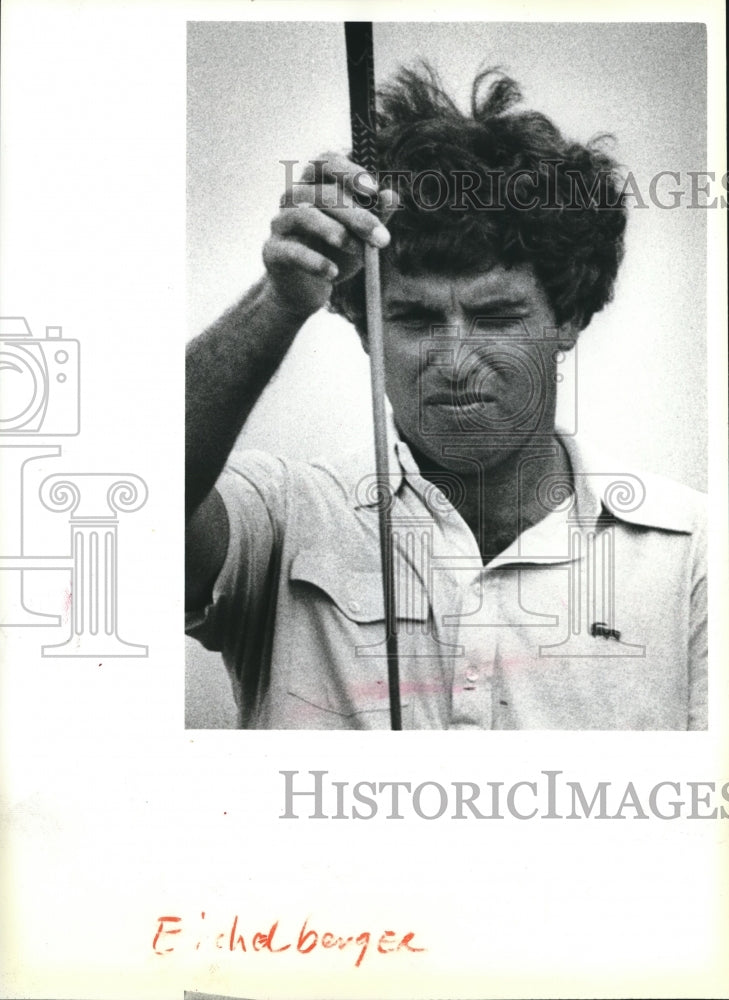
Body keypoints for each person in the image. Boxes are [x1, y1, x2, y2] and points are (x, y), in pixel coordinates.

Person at [185, 66, 707, 730]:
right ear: (366, 330)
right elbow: (134, 502)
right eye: (412, 319)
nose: (455, 361)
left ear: (568, 320)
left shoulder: (695, 551)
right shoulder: (282, 516)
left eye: (495, 318)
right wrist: (282, 299)